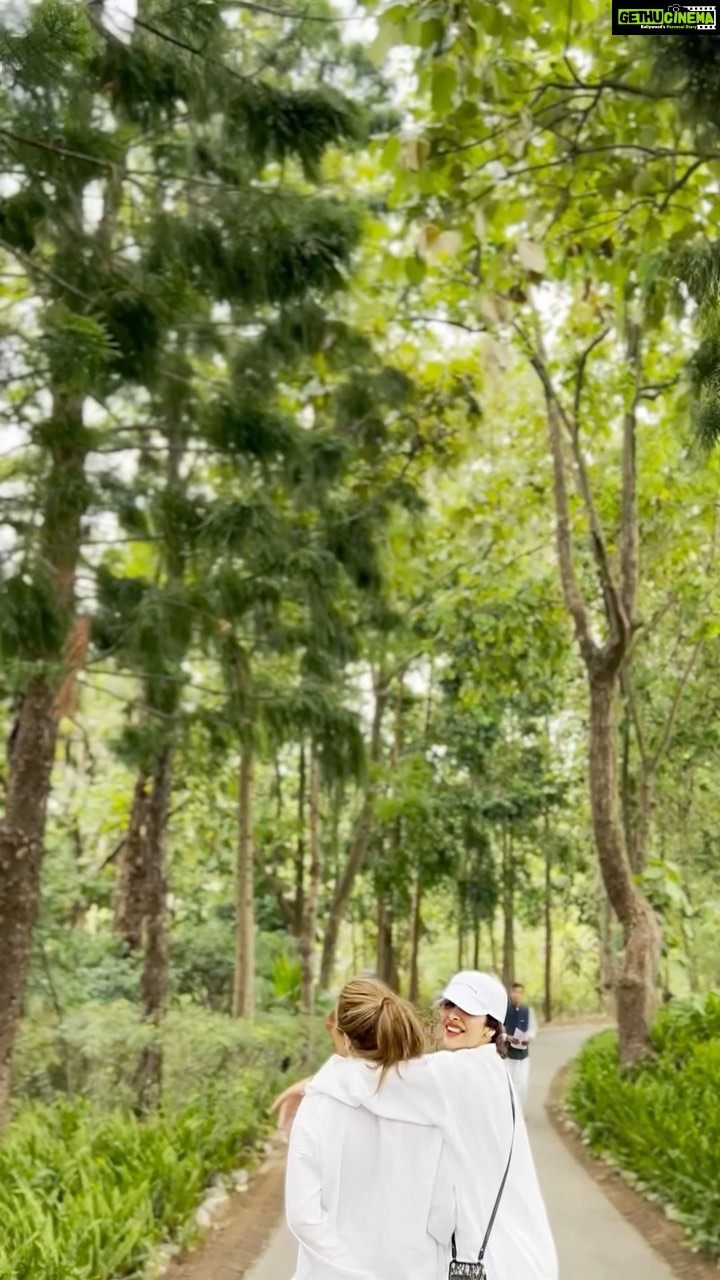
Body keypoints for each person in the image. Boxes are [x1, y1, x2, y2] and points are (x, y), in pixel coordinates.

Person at [277, 970, 557, 1280]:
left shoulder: (463, 1073)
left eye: (469, 1010)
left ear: (492, 1028)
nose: (453, 1015)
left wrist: (313, 1087)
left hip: (501, 1259)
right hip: (508, 1254)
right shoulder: (481, 1070)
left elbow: (384, 1078)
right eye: (449, 1005)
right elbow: (393, 1076)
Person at [285, 977, 455, 1280]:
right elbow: (445, 1216)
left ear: (346, 1037)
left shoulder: (320, 1103)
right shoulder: (434, 1102)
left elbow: (303, 1216)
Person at [504, 981, 537, 1110]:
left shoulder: (527, 1010)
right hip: (507, 1054)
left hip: (523, 1054)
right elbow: (499, 1029)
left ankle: (518, 1111)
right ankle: (508, 1109)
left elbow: (532, 1028)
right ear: (511, 993)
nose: (517, 995)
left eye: (520, 992)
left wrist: (528, 1038)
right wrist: (507, 1037)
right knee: (508, 1083)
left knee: (522, 1084)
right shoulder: (504, 1010)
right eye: (515, 992)